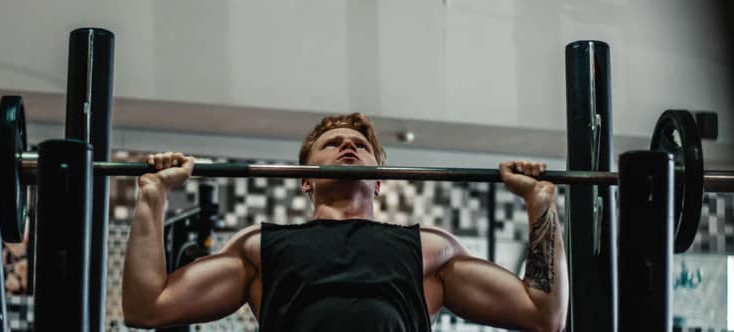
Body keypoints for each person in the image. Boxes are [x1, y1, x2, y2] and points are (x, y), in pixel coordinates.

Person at [122, 113, 568, 331]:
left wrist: (541, 203)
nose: (348, 147)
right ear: (304, 181)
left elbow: (542, 314)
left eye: (360, 144)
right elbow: (148, 308)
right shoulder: (260, 246)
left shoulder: (429, 248)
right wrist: (152, 196)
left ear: (378, 183)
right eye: (331, 143)